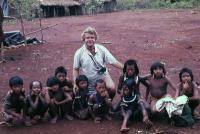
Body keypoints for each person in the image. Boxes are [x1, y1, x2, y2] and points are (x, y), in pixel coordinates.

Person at [73, 26, 123, 97]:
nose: (90, 40)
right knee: (84, 96)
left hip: (102, 76)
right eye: (87, 38)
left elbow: (113, 62)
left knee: (112, 89)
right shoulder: (79, 53)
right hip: (88, 80)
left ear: (95, 38)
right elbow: (75, 68)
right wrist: (75, 83)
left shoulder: (102, 49)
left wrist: (125, 68)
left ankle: (108, 104)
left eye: (92, 37)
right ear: (84, 39)